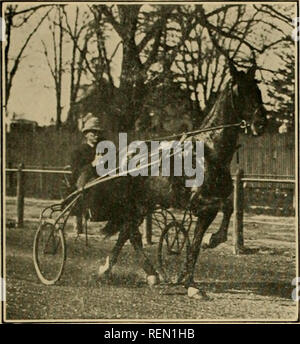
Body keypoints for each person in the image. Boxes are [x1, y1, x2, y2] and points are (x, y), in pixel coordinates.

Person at [70, 113, 106, 234]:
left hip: (101, 178)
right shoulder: (78, 151)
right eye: (93, 133)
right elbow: (75, 172)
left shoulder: (103, 148)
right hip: (84, 181)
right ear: (86, 134)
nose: (96, 135)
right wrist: (93, 164)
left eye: (98, 133)